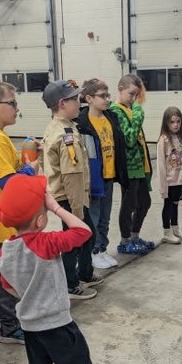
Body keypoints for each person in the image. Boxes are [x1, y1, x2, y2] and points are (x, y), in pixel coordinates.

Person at [0, 174, 94, 364]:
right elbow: (83, 231)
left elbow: (8, 286)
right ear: (40, 220)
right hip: (56, 323)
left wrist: (30, 296)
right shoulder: (45, 243)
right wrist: (57, 208)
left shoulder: (5, 250)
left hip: (30, 325)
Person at [0, 80, 39, 343]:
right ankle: (8, 326)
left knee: (11, 271)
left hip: (9, 218)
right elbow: (8, 182)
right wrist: (29, 170)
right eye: (12, 103)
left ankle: (13, 321)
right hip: (5, 219)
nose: (16, 109)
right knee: (6, 274)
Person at [41, 79, 102, 300]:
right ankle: (71, 283)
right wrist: (77, 212)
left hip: (64, 196)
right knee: (74, 241)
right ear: (61, 104)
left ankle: (84, 272)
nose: (78, 103)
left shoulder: (57, 127)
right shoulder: (66, 134)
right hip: (68, 198)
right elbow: (72, 176)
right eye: (74, 99)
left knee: (88, 237)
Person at [77, 78, 128, 269]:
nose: (107, 99)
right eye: (102, 96)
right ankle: (93, 251)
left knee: (105, 216)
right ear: (89, 98)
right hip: (94, 178)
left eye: (108, 95)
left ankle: (102, 248)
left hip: (109, 174)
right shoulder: (82, 123)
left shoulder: (110, 117)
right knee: (95, 215)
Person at [109, 73, 155, 254]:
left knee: (144, 202)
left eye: (136, 95)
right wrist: (138, 113)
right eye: (131, 94)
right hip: (129, 168)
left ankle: (135, 236)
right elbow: (129, 138)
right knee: (129, 205)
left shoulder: (129, 108)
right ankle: (124, 241)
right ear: (120, 90)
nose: (134, 99)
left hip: (140, 167)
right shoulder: (116, 111)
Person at [156, 106, 182, 244]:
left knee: (175, 204)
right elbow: (160, 165)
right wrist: (163, 186)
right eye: (172, 122)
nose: (175, 125)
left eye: (178, 121)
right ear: (166, 123)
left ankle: (175, 228)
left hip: (179, 179)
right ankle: (167, 232)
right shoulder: (163, 141)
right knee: (168, 204)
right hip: (169, 181)